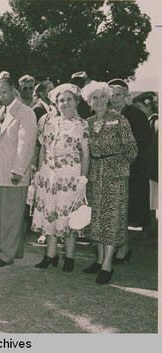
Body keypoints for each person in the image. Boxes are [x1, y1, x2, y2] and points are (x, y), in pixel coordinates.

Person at [81, 81, 137, 284]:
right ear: (89, 101)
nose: (99, 101)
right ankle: (98, 259)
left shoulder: (119, 119)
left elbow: (132, 149)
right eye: (94, 98)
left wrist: (118, 166)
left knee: (112, 218)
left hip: (115, 176)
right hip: (95, 174)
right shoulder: (87, 122)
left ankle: (107, 265)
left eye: (102, 97)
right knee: (97, 218)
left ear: (108, 98)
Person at [32, 84, 90, 272]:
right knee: (50, 212)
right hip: (49, 174)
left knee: (68, 215)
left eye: (68, 99)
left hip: (70, 175)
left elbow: (86, 155)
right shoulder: (48, 122)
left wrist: (83, 179)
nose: (64, 103)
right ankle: (50, 255)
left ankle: (70, 257)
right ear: (56, 103)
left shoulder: (82, 124)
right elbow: (43, 147)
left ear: (76, 102)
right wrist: (39, 172)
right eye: (61, 100)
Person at [0, 78, 37, 268]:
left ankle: (5, 254)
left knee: (10, 214)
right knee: (9, 213)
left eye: (4, 92)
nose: (0, 96)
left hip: (14, 173)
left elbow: (26, 145)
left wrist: (18, 170)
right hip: (1, 172)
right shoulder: (0, 112)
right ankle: (15, 249)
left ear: (14, 91)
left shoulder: (25, 112)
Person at [108, 79, 151, 263]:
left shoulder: (135, 115)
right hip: (111, 169)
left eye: (119, 95)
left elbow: (143, 141)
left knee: (124, 210)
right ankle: (118, 246)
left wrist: (123, 153)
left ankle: (123, 247)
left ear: (127, 96)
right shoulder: (108, 114)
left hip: (130, 169)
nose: (115, 98)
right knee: (115, 209)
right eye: (112, 95)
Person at [132, 91, 158, 237]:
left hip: (151, 166)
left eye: (139, 107)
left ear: (147, 107)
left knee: (152, 199)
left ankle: (150, 228)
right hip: (149, 166)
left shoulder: (154, 122)